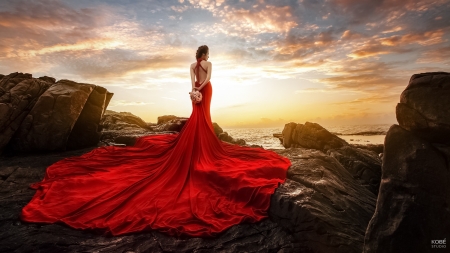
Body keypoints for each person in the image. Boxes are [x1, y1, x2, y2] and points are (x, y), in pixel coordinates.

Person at [20, 45, 292, 237]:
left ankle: (200, 137)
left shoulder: (190, 65)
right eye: (206, 54)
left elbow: (193, 80)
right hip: (205, 92)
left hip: (194, 92)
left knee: (196, 116)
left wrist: (192, 91)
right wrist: (201, 90)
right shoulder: (207, 64)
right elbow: (209, 78)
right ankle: (204, 141)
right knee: (203, 116)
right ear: (206, 54)